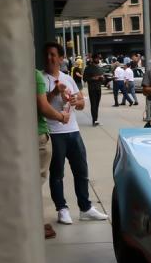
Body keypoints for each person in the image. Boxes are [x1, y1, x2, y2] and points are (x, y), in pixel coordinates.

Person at [41, 42, 108, 225]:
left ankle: (85, 207)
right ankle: (62, 209)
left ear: (61, 58)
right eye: (47, 54)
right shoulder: (41, 78)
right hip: (54, 132)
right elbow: (41, 104)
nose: (49, 58)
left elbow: (81, 103)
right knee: (57, 173)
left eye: (53, 54)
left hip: (73, 130)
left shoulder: (68, 78)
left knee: (81, 170)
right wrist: (55, 92)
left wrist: (74, 100)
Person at [36, 68, 70, 239]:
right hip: (38, 134)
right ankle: (35, 225)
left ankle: (36, 223)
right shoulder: (35, 76)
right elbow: (43, 106)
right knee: (36, 183)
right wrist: (61, 117)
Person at [82, 53, 105, 127]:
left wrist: (102, 78)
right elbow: (84, 79)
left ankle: (96, 120)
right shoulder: (88, 68)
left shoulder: (99, 67)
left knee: (97, 105)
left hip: (98, 88)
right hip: (92, 88)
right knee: (93, 104)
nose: (98, 60)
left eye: (99, 58)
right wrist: (93, 78)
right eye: (97, 58)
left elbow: (102, 80)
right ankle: (94, 120)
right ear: (93, 59)